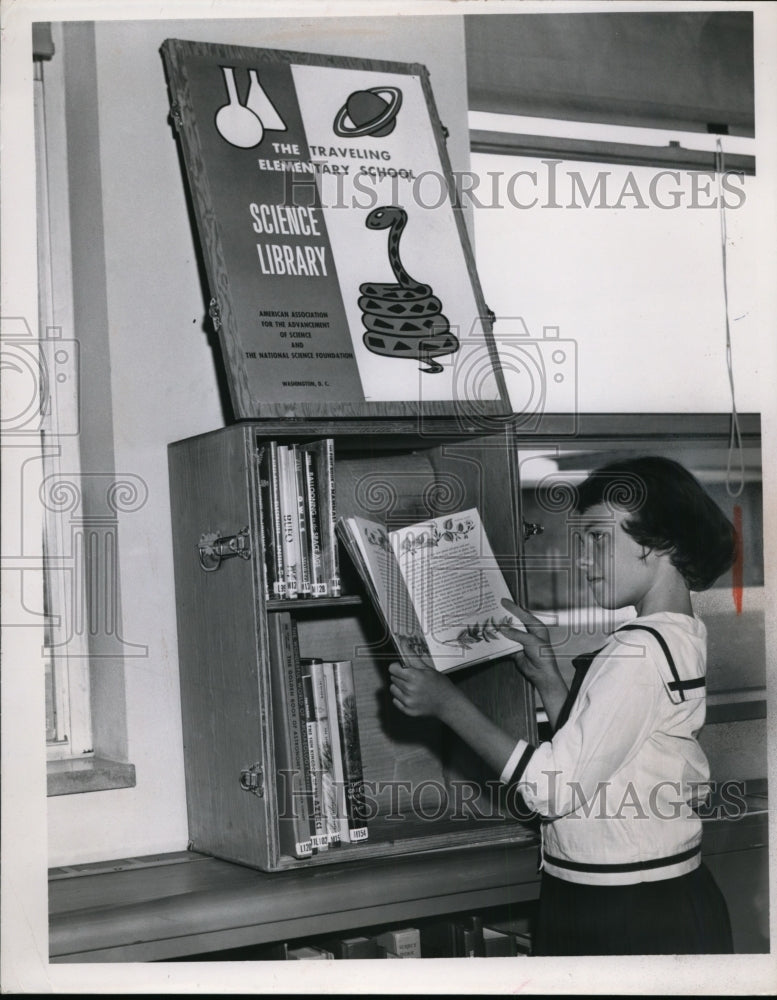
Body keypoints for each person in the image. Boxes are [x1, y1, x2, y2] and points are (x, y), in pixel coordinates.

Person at [388, 456, 736, 955]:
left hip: (623, 910)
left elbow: (552, 791)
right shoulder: (675, 635)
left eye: (598, 538)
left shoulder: (636, 651)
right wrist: (549, 679)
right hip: (658, 897)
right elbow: (613, 755)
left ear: (659, 542)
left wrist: (449, 705)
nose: (583, 559)